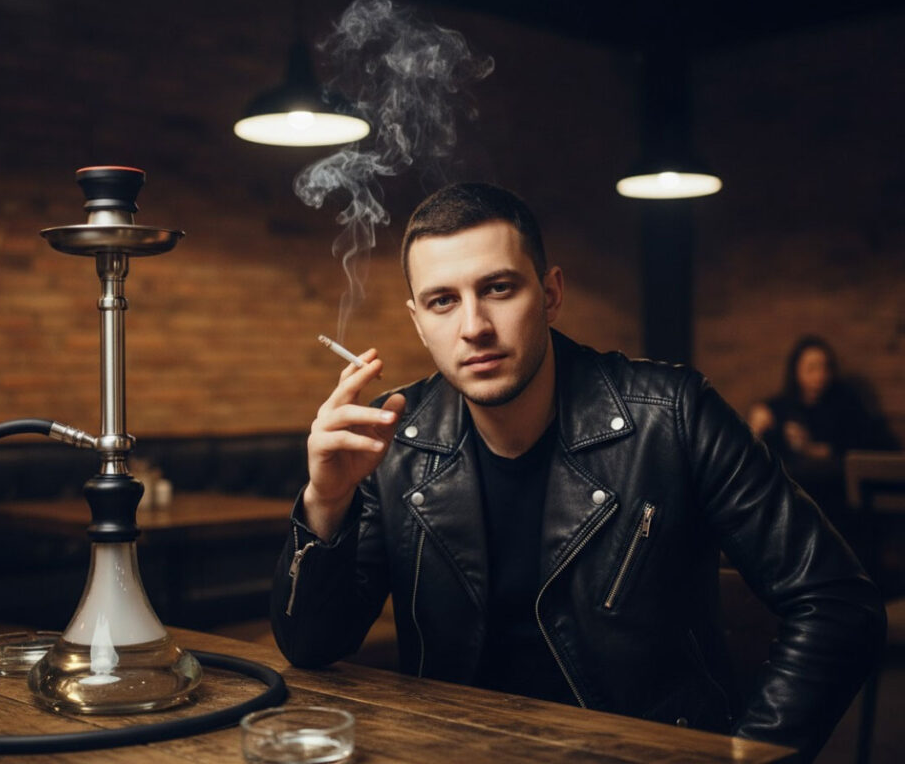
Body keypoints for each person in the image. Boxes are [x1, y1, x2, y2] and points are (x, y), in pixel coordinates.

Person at [270, 183, 885, 762]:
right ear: (417, 321)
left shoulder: (673, 415)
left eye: (500, 288)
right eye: (442, 301)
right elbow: (313, 646)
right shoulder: (396, 439)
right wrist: (326, 500)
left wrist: (749, 758)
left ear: (552, 294)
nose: (474, 326)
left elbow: (837, 604)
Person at [748, 336, 898, 537]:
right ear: (796, 371)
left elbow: (862, 446)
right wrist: (757, 423)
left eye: (825, 367)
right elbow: (757, 438)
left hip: (835, 495)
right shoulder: (783, 405)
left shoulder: (845, 402)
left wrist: (812, 449)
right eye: (811, 368)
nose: (820, 374)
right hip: (795, 493)